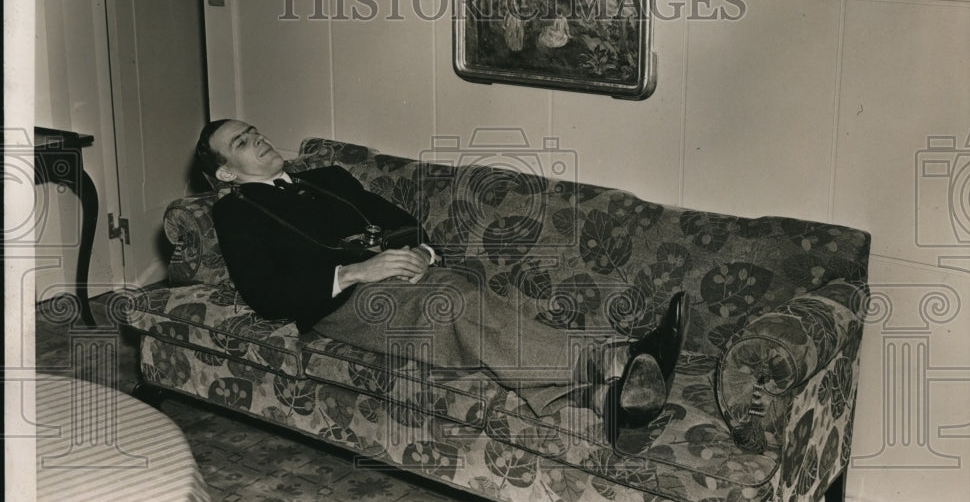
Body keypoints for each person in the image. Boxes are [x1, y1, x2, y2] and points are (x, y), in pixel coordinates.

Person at [195, 119, 687, 444]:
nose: (257, 139)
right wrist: (359, 271)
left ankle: (605, 401)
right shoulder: (237, 213)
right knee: (454, 301)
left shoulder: (329, 177)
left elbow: (400, 219)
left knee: (464, 300)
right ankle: (613, 356)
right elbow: (263, 292)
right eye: (241, 143)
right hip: (340, 307)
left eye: (254, 131)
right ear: (226, 172)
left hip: (409, 280)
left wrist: (419, 251)